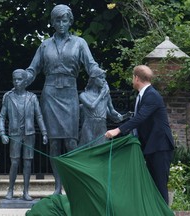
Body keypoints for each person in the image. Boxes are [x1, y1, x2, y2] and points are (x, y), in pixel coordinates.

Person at [25, 4, 102, 195]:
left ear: (70, 22)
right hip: (50, 94)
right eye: (57, 20)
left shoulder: (79, 43)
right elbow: (32, 69)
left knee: (71, 141)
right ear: (52, 22)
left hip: (69, 93)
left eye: (64, 20)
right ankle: (58, 186)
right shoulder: (45, 45)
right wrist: (21, 80)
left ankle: (73, 183)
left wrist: (99, 74)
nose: (61, 24)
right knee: (54, 143)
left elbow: (91, 65)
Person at [105, 65, 174, 204]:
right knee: (152, 188)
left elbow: (140, 117)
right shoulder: (143, 95)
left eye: (132, 77)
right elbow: (138, 119)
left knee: (159, 188)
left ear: (136, 78)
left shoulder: (151, 95)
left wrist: (117, 130)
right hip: (152, 147)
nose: (132, 80)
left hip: (160, 147)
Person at [0, 69, 48, 201]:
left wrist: (44, 132)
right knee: (14, 163)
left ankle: (26, 191)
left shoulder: (32, 98)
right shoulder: (8, 97)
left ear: (25, 82)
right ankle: (10, 190)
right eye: (14, 79)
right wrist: (2, 133)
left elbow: (39, 116)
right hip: (15, 134)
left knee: (27, 163)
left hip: (29, 134)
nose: (16, 82)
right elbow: (1, 117)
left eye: (19, 79)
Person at [79, 68, 131, 146]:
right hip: (89, 126)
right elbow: (92, 106)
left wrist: (124, 116)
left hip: (101, 127)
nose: (103, 80)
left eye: (104, 78)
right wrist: (101, 95)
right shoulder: (83, 95)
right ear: (93, 79)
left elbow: (112, 112)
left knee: (101, 148)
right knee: (87, 148)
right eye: (101, 77)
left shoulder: (106, 96)